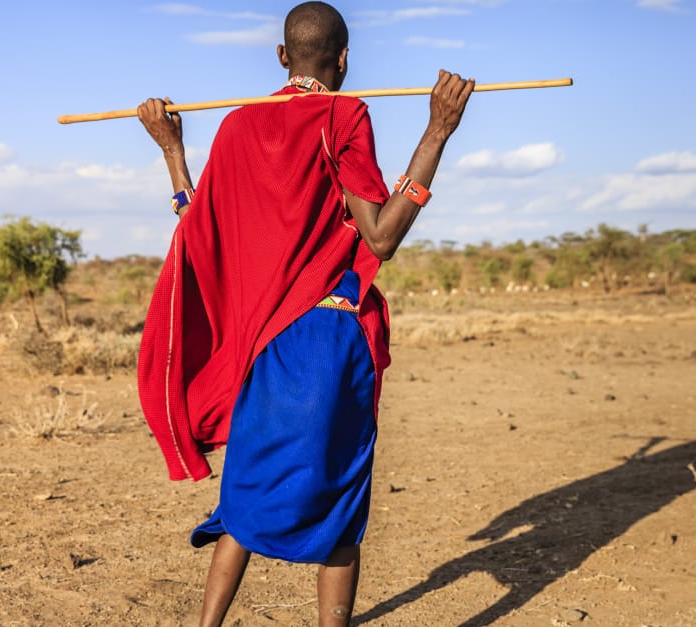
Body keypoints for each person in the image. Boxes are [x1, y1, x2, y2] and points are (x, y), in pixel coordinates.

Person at [135, 2, 473, 624]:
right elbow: (381, 238)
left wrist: (171, 150)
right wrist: (437, 132)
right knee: (340, 502)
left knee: (245, 494)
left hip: (262, 349)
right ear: (344, 59)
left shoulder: (239, 125)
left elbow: (200, 227)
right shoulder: (344, 114)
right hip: (323, 338)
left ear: (282, 58)